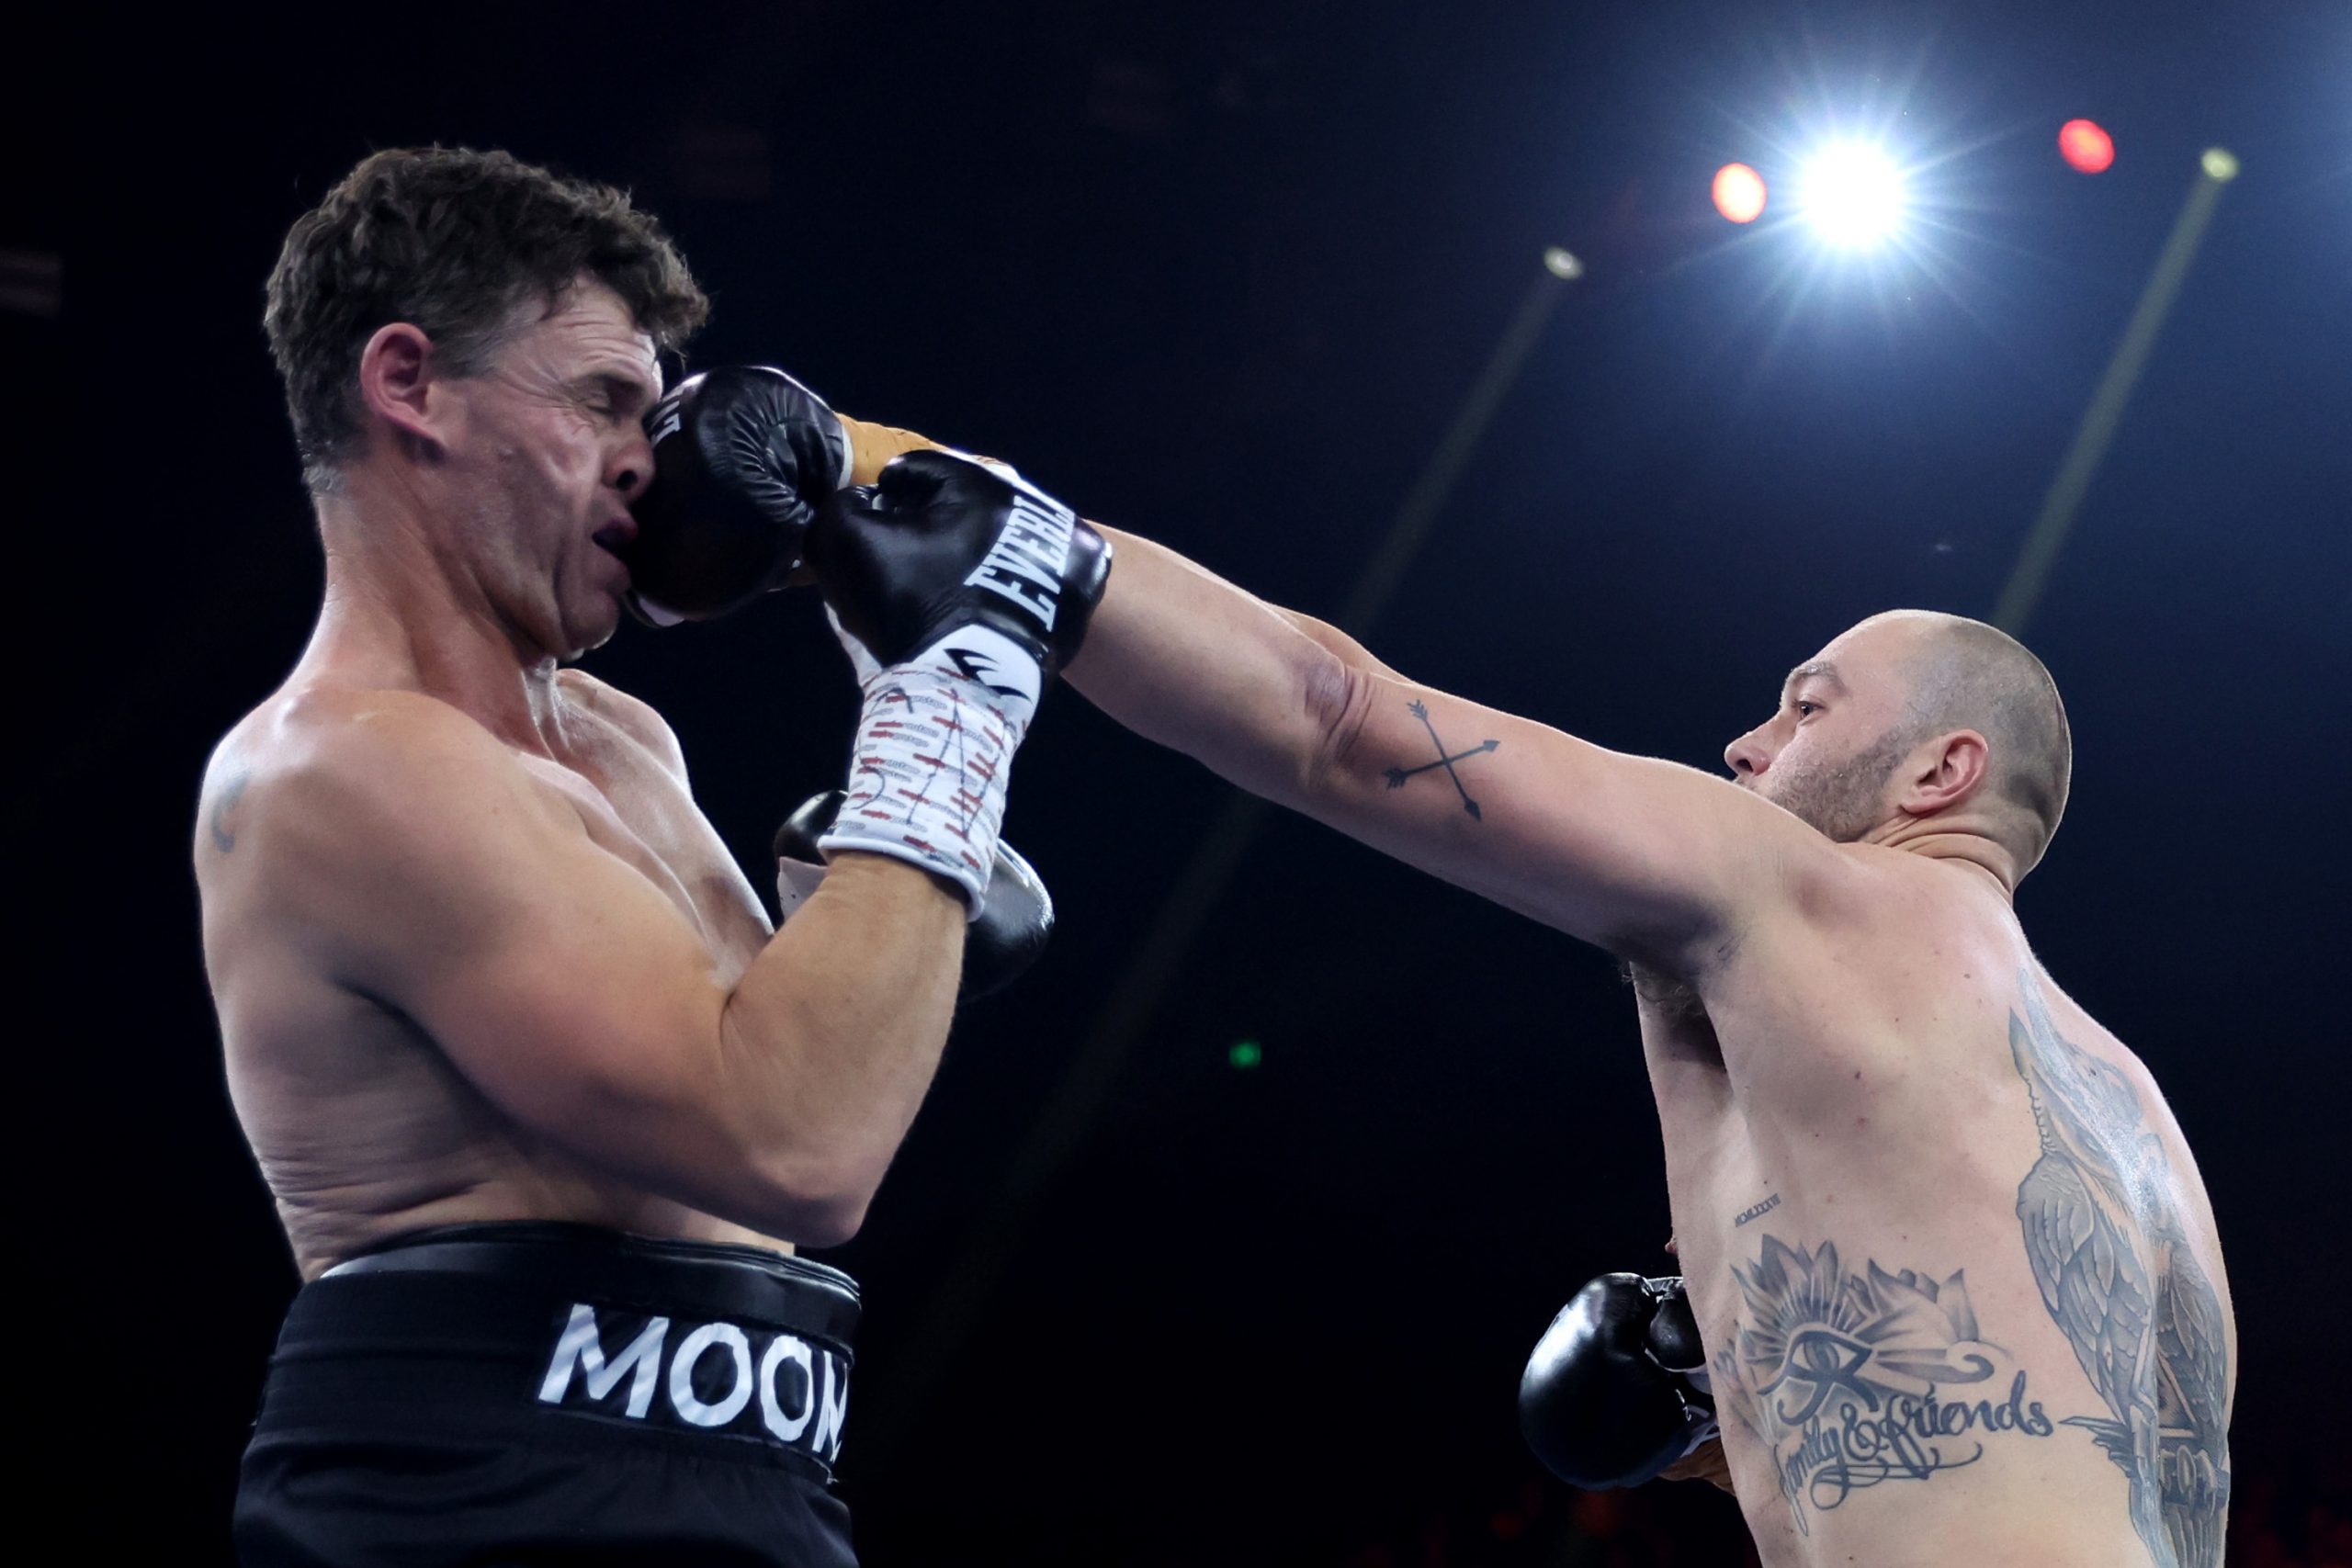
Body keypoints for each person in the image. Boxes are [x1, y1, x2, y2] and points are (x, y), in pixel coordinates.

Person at [1026, 487, 2233, 1562]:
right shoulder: (2137, 1122)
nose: (1745, 749)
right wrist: (1740, 1413)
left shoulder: (1813, 890)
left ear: (1937, 775)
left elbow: (1338, 719)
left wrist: (996, 532)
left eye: (1805, 709)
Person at [195, 148, 1103, 1566]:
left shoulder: (622, 744)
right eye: (603, 401)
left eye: (659, 410)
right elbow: (798, 1147)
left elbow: (817, 1080)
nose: (651, 454)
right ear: (408, 384)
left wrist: (869, 846)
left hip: (756, 1497)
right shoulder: (340, 766)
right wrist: (946, 699)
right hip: (475, 1509)